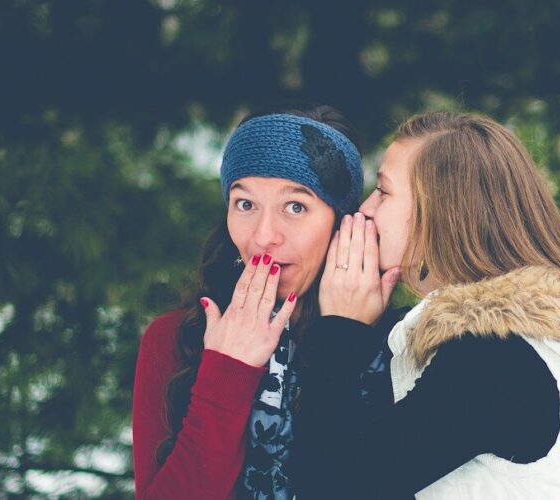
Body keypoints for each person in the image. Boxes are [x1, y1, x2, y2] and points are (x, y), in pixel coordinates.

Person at [294, 111, 560, 499]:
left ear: (439, 213)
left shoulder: (493, 361)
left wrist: (340, 333)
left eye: (383, 191)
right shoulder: (521, 347)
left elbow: (332, 487)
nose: (365, 209)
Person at [131, 105, 395, 500]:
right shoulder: (173, 339)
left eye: (295, 206)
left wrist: (344, 337)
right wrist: (227, 371)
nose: (264, 236)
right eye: (245, 204)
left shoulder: (392, 342)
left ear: (341, 224)